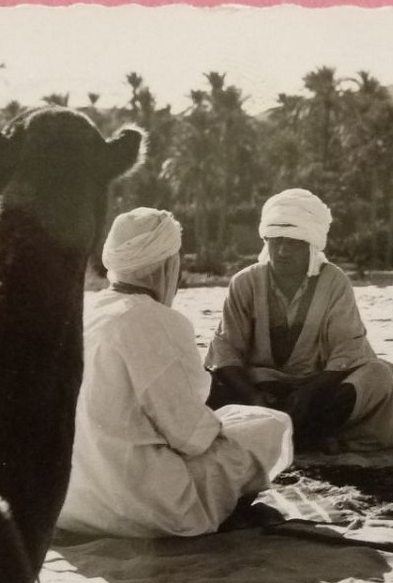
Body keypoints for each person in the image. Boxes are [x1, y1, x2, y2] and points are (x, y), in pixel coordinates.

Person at [57, 208, 294, 539]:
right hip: (144, 508)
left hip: (75, 504)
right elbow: (191, 436)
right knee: (269, 425)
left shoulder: (86, 314)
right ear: (167, 265)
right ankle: (225, 512)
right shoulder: (159, 321)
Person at [205, 188, 393, 452]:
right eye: (275, 241)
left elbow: (348, 352)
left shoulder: (334, 282)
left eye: (293, 242)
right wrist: (253, 396)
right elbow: (226, 351)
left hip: (320, 389)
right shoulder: (245, 283)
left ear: (311, 244)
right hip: (258, 388)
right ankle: (303, 435)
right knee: (202, 378)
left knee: (379, 375)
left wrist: (308, 392)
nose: (282, 251)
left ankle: (295, 433)